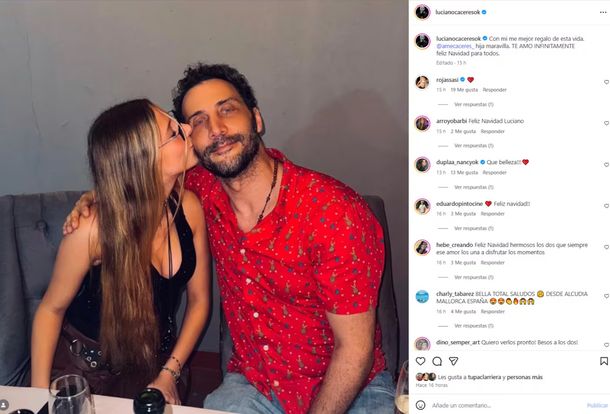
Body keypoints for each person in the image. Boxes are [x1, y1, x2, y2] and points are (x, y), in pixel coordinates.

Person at [65, 63, 394, 413]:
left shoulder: (333, 212)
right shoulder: (200, 192)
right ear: (190, 140)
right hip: (255, 385)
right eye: (199, 121)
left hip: (350, 389)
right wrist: (98, 196)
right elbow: (139, 177)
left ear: (257, 119)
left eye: (227, 110)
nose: (217, 130)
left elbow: (354, 351)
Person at [32, 99, 211, 405]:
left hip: (159, 369)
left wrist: (170, 372)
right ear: (143, 160)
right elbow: (50, 310)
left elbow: (199, 302)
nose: (187, 127)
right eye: (173, 131)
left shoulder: (189, 207)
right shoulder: (92, 230)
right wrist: (38, 398)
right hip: (86, 376)